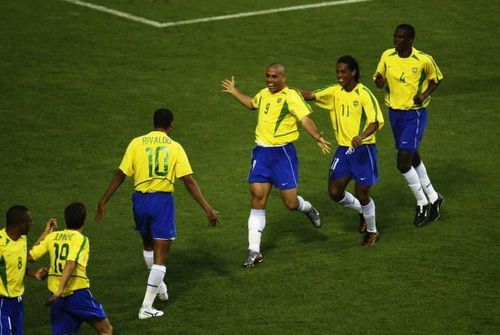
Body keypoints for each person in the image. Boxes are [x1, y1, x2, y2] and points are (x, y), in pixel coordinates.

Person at [95, 108, 219, 319]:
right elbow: (188, 180)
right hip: (161, 201)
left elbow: (120, 174)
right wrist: (207, 209)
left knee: (147, 245)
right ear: (170, 124)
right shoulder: (175, 147)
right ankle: (146, 307)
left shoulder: (136, 142)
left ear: (154, 123)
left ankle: (159, 286)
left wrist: (103, 201)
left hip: (139, 201)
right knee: (161, 258)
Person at [221, 63, 331, 267]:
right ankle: (254, 251)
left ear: (283, 78)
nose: (270, 80)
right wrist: (235, 92)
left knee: (290, 203)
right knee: (257, 197)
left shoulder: (291, 96)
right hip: (261, 153)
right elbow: (252, 104)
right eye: (267, 76)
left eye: (274, 77)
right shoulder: (263, 93)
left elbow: (305, 119)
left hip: (283, 155)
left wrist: (316, 136)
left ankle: (307, 208)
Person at [300, 55, 384, 246]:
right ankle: (363, 211)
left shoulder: (364, 94)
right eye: (338, 71)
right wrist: (287, 91)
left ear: (353, 72)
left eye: (343, 71)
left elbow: (376, 121)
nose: (340, 75)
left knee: (362, 193)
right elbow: (311, 95)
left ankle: (372, 231)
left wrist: (361, 136)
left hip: (364, 150)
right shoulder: (334, 92)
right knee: (334, 191)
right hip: (344, 150)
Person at [373, 23, 444, 227]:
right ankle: (434, 197)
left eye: (401, 37)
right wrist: (379, 81)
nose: (396, 40)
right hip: (395, 114)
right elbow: (380, 77)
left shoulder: (423, 59)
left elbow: (436, 79)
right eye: (395, 36)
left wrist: (424, 95)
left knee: (402, 162)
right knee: (412, 155)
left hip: (415, 115)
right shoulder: (387, 56)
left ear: (411, 40)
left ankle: (422, 202)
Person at [29, 202, 113, 335]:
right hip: (77, 293)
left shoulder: (52, 237)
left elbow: (30, 256)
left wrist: (46, 232)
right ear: (84, 220)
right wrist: (61, 290)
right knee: (105, 329)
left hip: (57, 297)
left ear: (65, 219)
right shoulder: (81, 239)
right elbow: (70, 263)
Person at [0, 205, 56, 335]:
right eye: (29, 222)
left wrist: (34, 273)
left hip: (17, 302)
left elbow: (26, 258)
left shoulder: (21, 238)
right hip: (2, 303)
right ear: (18, 224)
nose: (31, 224)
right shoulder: (1, 243)